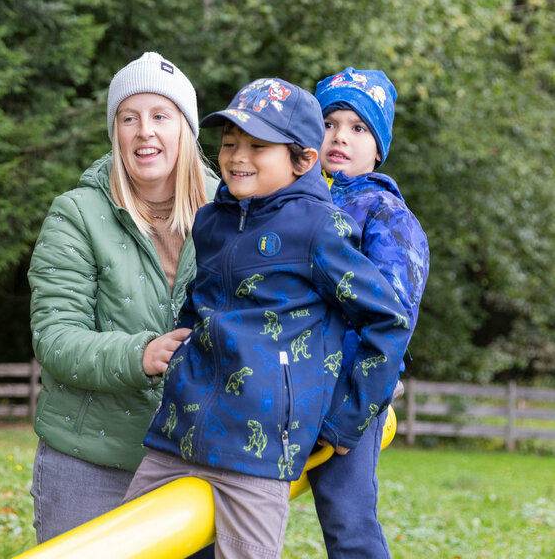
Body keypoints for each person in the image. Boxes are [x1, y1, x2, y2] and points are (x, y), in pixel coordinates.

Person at [122, 77, 413, 559]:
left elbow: (388, 321)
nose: (238, 156)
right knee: (135, 548)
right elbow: (200, 301)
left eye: (259, 146)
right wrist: (181, 353)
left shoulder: (320, 229)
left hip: (256, 457)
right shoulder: (212, 220)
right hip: (176, 438)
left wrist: (348, 419)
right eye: (230, 142)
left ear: (302, 160)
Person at [27, 51, 219, 544]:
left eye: (160, 116)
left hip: (198, 462)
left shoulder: (232, 213)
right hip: (90, 460)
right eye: (129, 118)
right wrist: (140, 354)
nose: (144, 132)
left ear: (186, 129)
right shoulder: (76, 214)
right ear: (116, 132)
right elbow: (56, 337)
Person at [307, 66, 430, 558]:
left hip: (348, 394)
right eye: (330, 122)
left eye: (358, 128)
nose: (340, 137)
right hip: (282, 386)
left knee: (348, 521)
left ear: (378, 146)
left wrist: (353, 412)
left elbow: (392, 319)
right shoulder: (294, 204)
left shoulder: (386, 214)